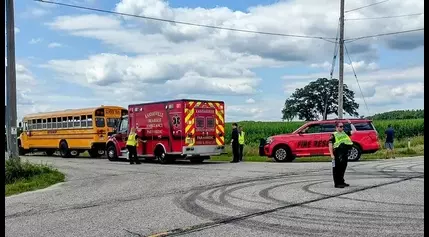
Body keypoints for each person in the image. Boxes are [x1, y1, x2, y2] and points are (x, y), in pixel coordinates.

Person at [328, 120, 356, 188]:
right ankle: (337, 183)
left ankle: (342, 181)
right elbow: (330, 145)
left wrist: (350, 124)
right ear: (336, 127)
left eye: (343, 126)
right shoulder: (333, 135)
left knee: (343, 168)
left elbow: (354, 131)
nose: (342, 128)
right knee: (337, 169)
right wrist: (331, 154)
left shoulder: (345, 133)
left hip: (344, 153)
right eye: (340, 126)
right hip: (337, 153)